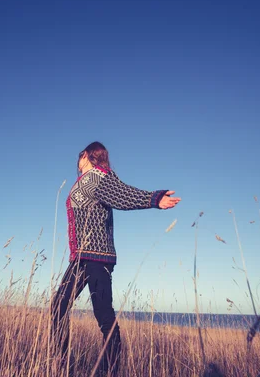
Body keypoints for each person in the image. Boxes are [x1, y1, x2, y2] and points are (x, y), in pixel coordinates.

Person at [51, 141, 181, 376]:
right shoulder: (87, 180)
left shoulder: (97, 177)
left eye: (80, 156)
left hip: (97, 258)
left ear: (89, 156)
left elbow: (123, 195)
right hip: (82, 258)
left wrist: (154, 199)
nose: (77, 161)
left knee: (103, 315)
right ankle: (60, 364)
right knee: (59, 305)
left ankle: (109, 370)